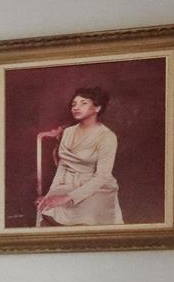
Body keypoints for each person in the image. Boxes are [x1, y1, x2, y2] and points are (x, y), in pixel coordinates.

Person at [34, 86, 122, 225]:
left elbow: (102, 176)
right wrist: (51, 193)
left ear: (97, 108)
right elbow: (63, 166)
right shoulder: (68, 132)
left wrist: (67, 197)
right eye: (74, 104)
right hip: (68, 183)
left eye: (83, 103)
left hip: (96, 187)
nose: (76, 107)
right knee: (48, 207)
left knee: (87, 215)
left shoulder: (107, 137)